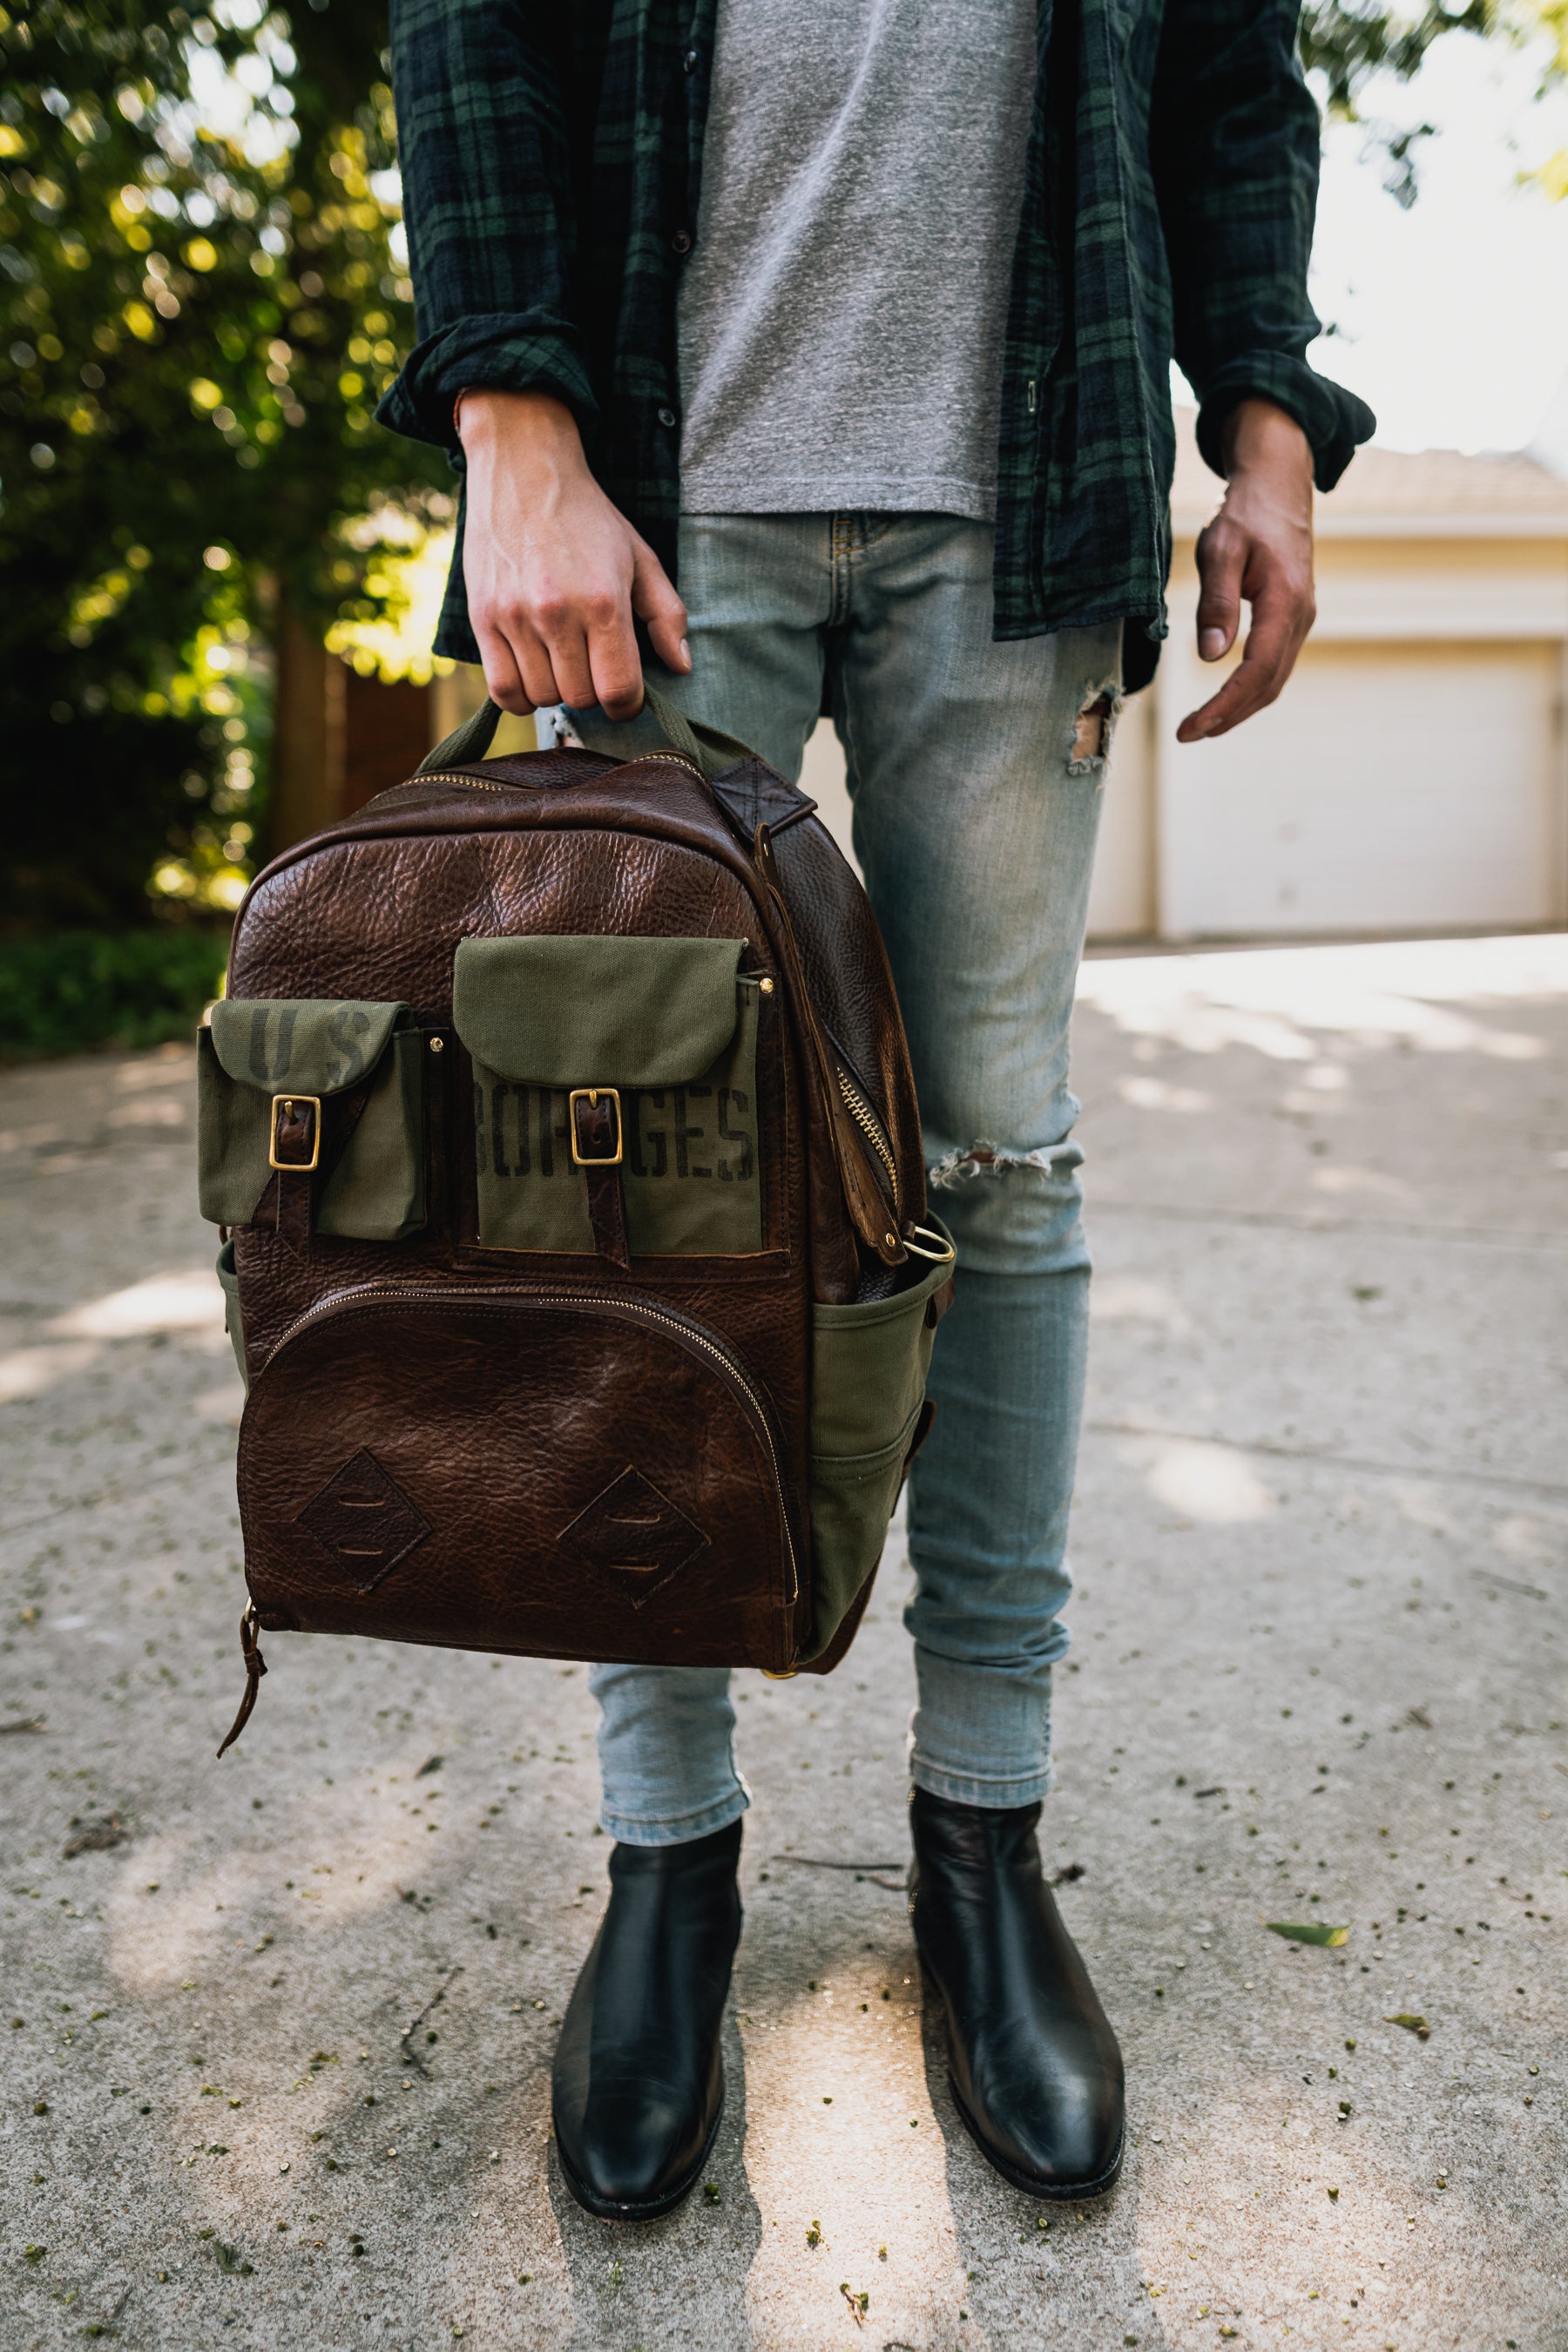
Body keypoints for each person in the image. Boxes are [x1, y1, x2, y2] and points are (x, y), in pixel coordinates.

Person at [380, 0, 1374, 2219]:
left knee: (999, 1162)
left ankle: (982, 1841)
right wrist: (507, 415)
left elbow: (1231, 72)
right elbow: (471, 32)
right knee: (617, 1177)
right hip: (650, 479)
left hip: (1024, 491)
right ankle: (669, 1858)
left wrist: (1272, 419)